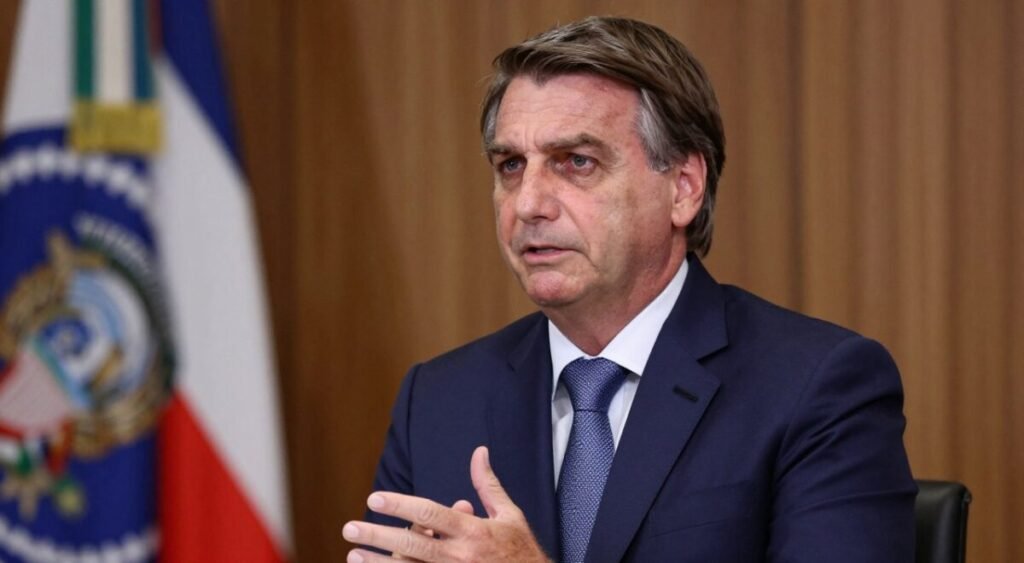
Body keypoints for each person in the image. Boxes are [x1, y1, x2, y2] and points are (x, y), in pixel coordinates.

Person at [342, 16, 916, 563]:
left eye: (577, 161)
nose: (529, 204)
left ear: (684, 188)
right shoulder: (440, 400)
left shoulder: (817, 388)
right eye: (511, 166)